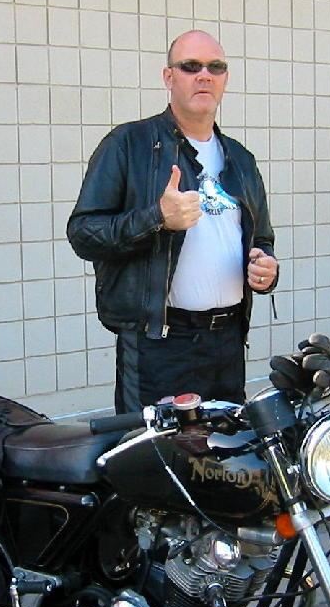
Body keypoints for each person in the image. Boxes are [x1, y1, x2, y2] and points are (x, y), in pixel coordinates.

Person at [67, 30, 280, 413]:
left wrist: (266, 267)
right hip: (160, 345)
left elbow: (261, 238)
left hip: (227, 341)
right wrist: (157, 218)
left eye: (215, 67)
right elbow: (83, 233)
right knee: (155, 450)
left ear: (225, 78)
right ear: (169, 77)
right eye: (191, 66)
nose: (204, 75)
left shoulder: (241, 160)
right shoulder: (129, 144)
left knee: (224, 447)